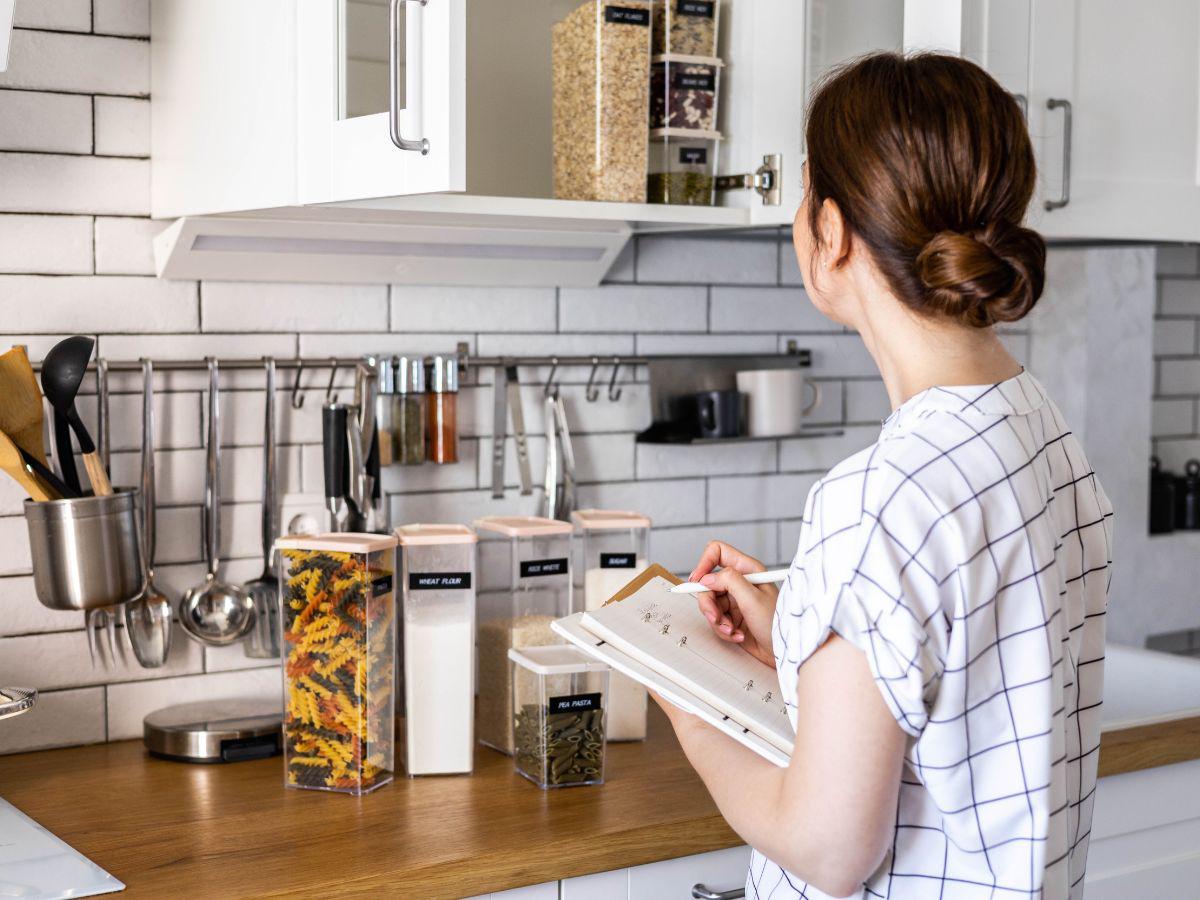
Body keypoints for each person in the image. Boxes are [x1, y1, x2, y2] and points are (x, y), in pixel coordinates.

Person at [657, 52, 1113, 899]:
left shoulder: (876, 498)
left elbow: (827, 851)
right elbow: (951, 683)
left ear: (830, 231)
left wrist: (686, 702)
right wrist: (798, 639)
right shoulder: (1042, 431)